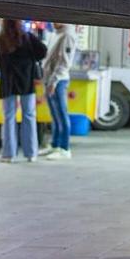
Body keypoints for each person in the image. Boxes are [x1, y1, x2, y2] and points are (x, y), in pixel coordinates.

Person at [0, 18, 47, 164]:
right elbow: (43, 51)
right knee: (29, 115)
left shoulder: (1, 39)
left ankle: (8, 154)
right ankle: (31, 153)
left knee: (9, 116)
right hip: (26, 80)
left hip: (8, 81)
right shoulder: (27, 37)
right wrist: (30, 60)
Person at [41, 23, 79, 159]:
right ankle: (55, 145)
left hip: (58, 81)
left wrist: (54, 81)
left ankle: (64, 148)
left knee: (62, 115)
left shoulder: (67, 35)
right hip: (49, 79)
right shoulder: (56, 33)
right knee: (55, 115)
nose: (52, 22)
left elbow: (65, 62)